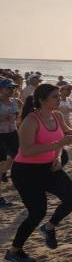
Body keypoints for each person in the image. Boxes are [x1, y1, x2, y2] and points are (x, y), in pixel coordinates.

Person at [6, 84, 72, 262]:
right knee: (37, 212)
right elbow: (27, 150)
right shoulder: (31, 120)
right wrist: (58, 144)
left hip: (50, 167)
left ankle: (49, 227)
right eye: (55, 96)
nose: (59, 99)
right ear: (41, 100)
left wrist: (60, 153)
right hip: (26, 172)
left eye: (58, 96)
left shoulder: (57, 115)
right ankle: (14, 251)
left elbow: (66, 134)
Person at [0, 78, 22, 208]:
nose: (12, 90)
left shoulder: (15, 102)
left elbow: (17, 118)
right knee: (2, 162)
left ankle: (3, 173)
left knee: (19, 159)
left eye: (13, 87)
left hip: (12, 133)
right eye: (9, 87)